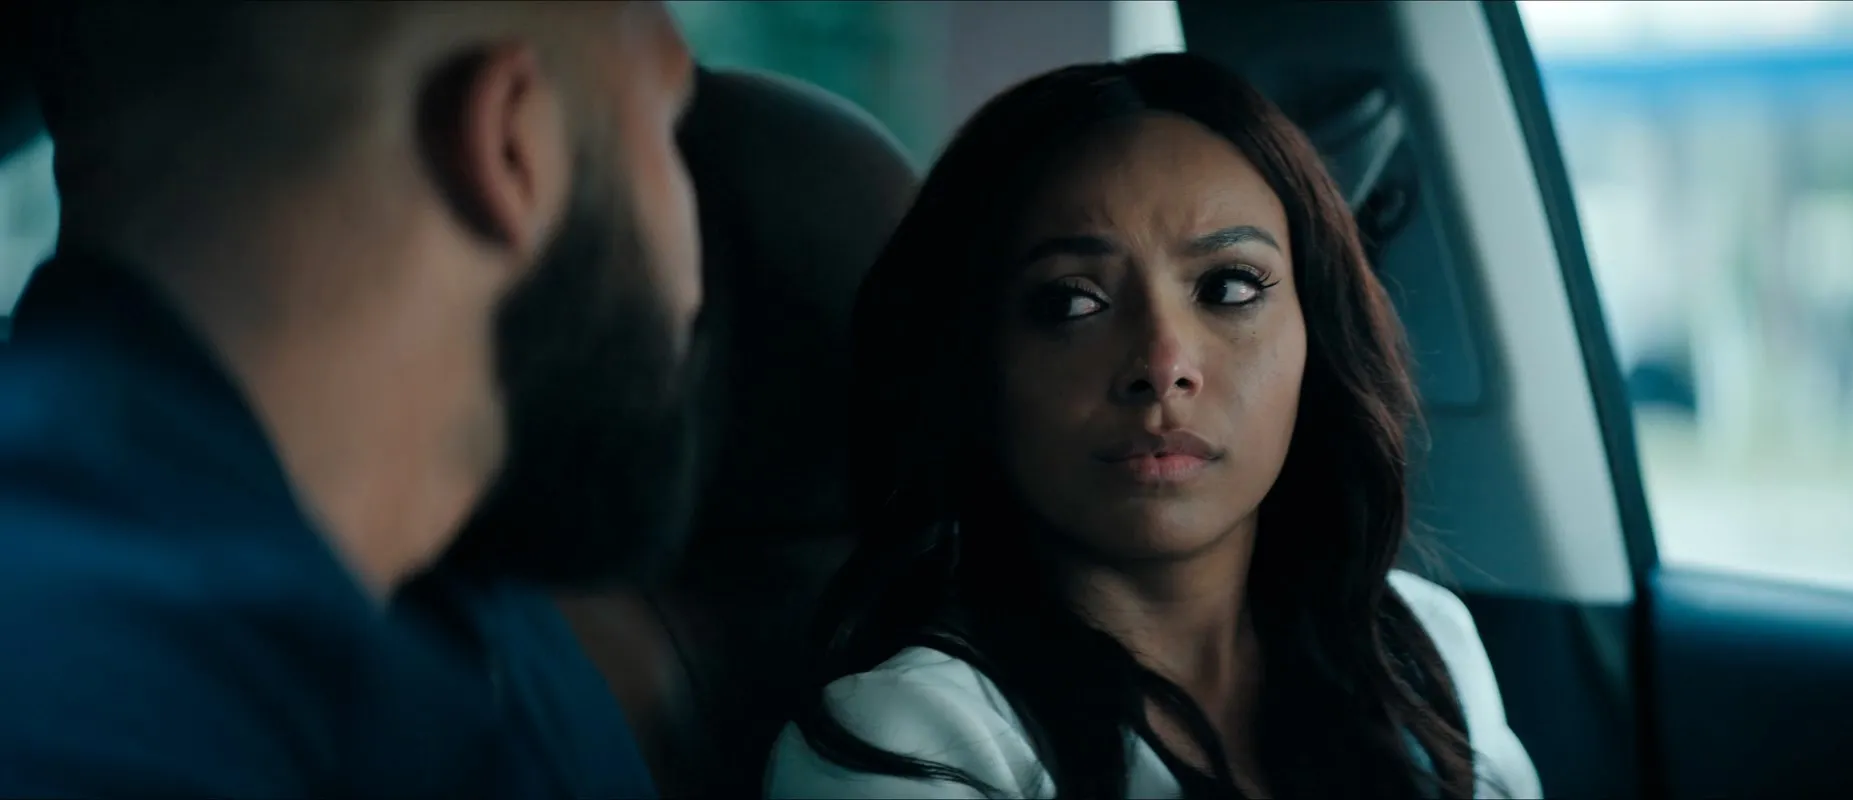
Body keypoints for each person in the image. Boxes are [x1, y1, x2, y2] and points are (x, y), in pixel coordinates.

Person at [764, 54, 1541, 799]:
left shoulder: (1416, 651)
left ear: (1318, 333)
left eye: (1230, 288)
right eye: (1072, 301)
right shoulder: (918, 740)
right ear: (970, 362)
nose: (1163, 365)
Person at [0, 2, 701, 797]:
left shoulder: (473, 609)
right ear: (512, 144)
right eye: (670, 127)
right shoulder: (97, 705)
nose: (697, 271)